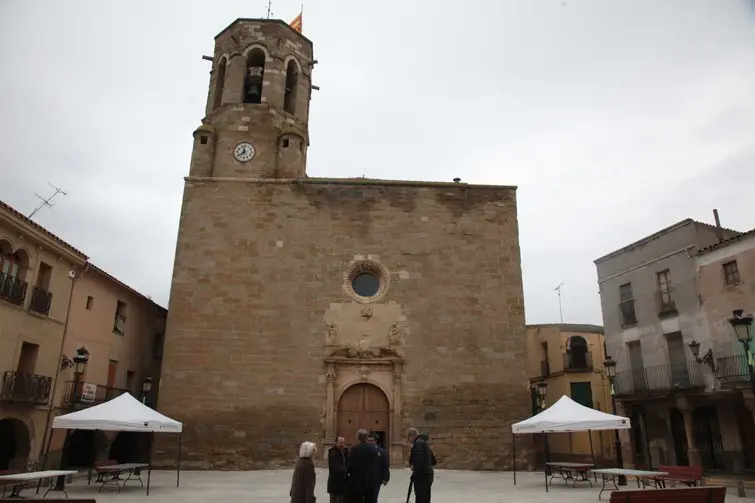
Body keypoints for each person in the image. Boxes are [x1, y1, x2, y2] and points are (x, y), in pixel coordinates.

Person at [346, 429, 378, 503]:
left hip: (357, 481)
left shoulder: (354, 449)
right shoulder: (373, 449)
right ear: (366, 437)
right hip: (370, 481)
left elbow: (350, 465)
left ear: (358, 437)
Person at [408, 428, 436, 503]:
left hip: (422, 477)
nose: (409, 440)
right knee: (426, 499)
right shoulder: (424, 442)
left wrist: (415, 472)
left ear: (412, 436)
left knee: (420, 499)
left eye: (409, 437)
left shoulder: (418, 443)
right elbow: (433, 461)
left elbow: (419, 461)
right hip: (428, 475)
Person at [367, 432, 390, 502]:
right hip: (366, 479)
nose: (370, 442)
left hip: (376, 479)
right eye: (369, 440)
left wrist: (386, 478)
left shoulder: (382, 452)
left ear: (375, 441)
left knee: (374, 497)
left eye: (372, 440)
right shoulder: (365, 451)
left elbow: (385, 465)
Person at [328, 436, 349, 503]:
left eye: (343, 443)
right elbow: (336, 468)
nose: (342, 444)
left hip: (343, 482)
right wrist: (346, 470)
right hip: (335, 483)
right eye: (340, 443)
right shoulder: (333, 453)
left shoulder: (344, 451)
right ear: (335, 442)